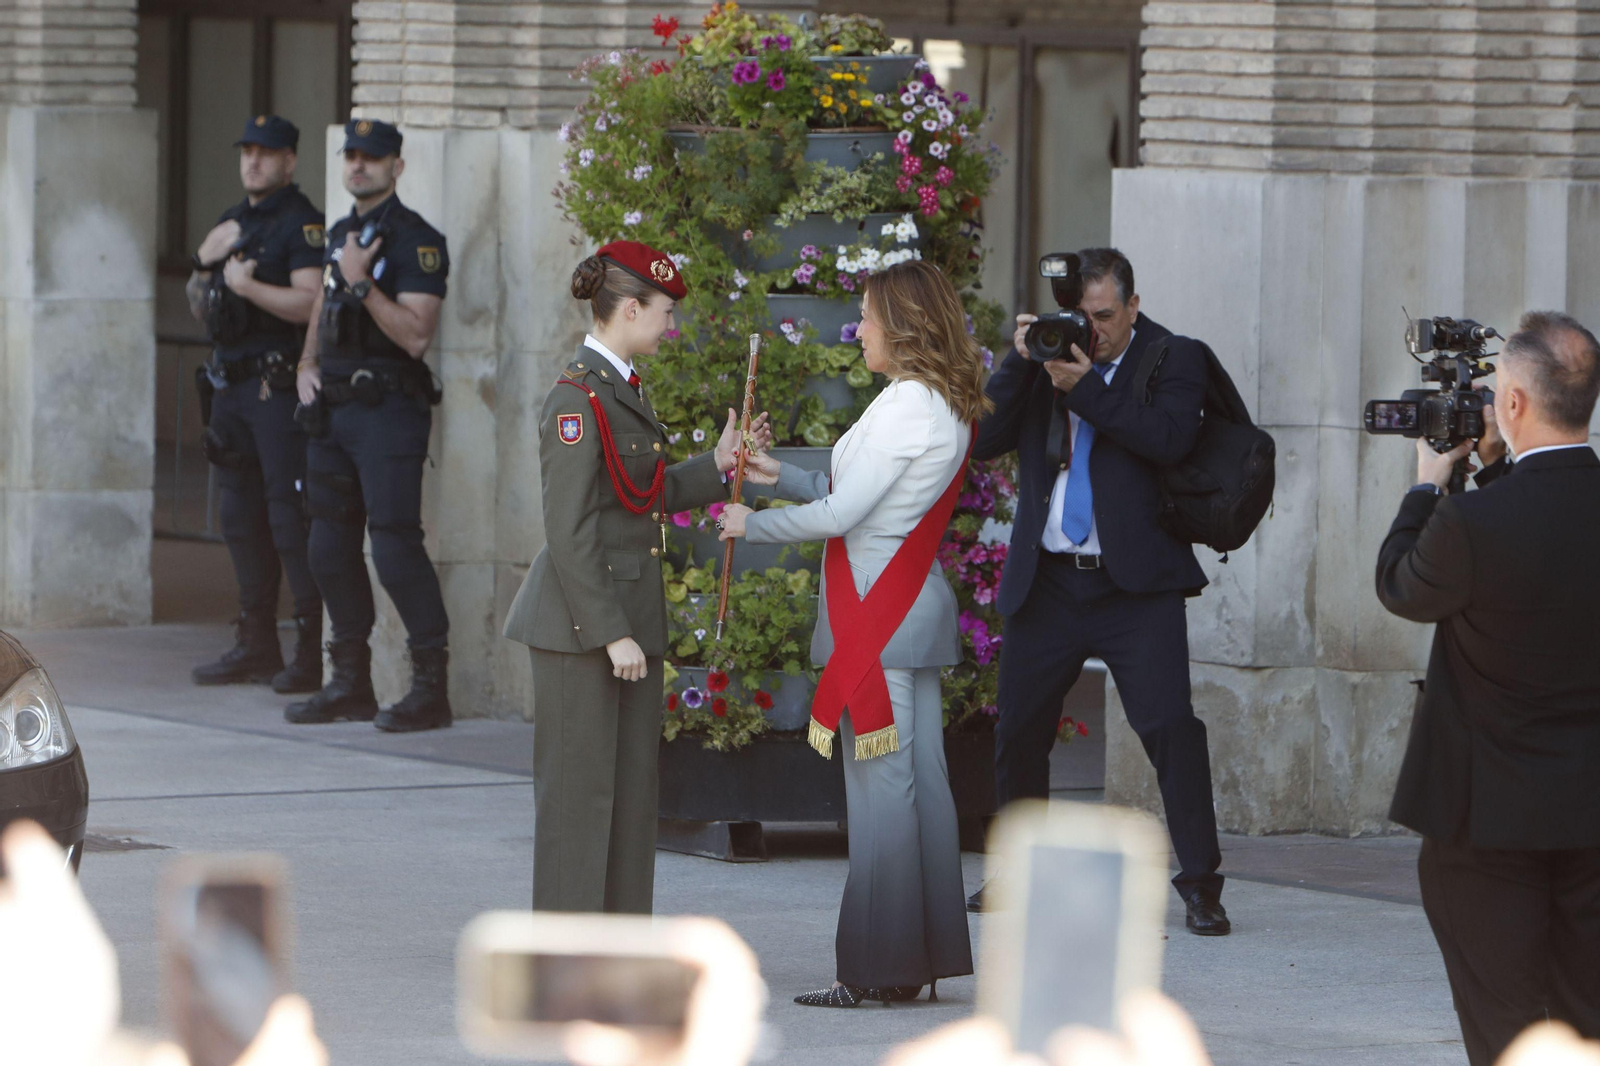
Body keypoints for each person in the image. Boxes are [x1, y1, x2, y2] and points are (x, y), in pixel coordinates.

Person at [717, 259, 983, 1007]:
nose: (858, 328)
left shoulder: (908, 405)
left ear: (902, 324)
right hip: (904, 613)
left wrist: (751, 523)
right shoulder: (930, 401)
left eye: (868, 315)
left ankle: (875, 969)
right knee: (920, 790)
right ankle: (916, 958)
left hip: (880, 618)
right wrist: (780, 477)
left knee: (883, 799)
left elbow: (844, 518)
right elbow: (850, 491)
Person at [502, 241, 771, 915]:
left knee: (627, 798)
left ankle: (616, 955)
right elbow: (569, 531)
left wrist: (715, 464)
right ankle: (565, 969)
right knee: (578, 801)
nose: (671, 327)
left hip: (621, 624)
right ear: (629, 308)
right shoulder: (577, 399)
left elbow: (635, 493)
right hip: (582, 629)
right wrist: (610, 633)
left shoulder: (617, 389)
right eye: (664, 312)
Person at [967, 248, 1228, 935]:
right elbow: (982, 438)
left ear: (1132, 307)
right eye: (1078, 317)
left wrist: (1086, 387)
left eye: (1105, 316)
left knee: (1170, 730)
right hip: (1049, 581)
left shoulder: (1173, 357)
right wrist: (1023, 359)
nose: (1092, 331)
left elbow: (1167, 439)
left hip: (1134, 587)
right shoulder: (1044, 359)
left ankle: (1202, 883)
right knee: (1019, 729)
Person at [1375, 310, 1600, 1066]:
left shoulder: (1469, 524)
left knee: (1503, 1026)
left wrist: (1425, 488)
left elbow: (1401, 587)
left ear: (1513, 405)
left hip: (1485, 818)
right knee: (1587, 1021)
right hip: (1591, 814)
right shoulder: (1493, 516)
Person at [287, 118, 452, 733]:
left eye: (372, 157)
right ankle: (349, 682)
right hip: (332, 411)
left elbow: (415, 335)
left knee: (393, 544)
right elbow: (322, 306)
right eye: (351, 155)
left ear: (397, 167)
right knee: (326, 547)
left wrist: (362, 282)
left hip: (388, 411)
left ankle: (430, 688)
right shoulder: (340, 233)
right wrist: (307, 360)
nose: (358, 165)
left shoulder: (418, 241)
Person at [186, 115, 325, 695]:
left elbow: (311, 301)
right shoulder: (231, 221)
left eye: (266, 153)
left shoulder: (300, 221)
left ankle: (310, 652)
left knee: (287, 520)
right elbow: (201, 306)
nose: (253, 161)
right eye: (246, 151)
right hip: (230, 388)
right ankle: (255, 643)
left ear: (289, 160)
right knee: (240, 520)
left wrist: (248, 287)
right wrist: (201, 260)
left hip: (275, 388)